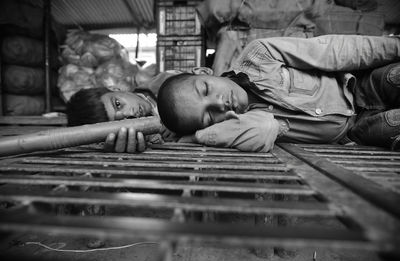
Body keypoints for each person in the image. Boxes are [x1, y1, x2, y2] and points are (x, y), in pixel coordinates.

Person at [157, 34, 400, 152]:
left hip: (364, 85)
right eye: (209, 116)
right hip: (359, 130)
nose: (219, 104)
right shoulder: (246, 127)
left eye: (206, 89)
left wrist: (396, 46)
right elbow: (266, 129)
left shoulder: (259, 55)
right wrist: (195, 138)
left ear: (203, 70)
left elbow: (336, 51)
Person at [66, 67, 214, 153]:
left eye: (118, 104)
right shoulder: (147, 139)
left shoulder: (167, 82)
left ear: (115, 88)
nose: (129, 114)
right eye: (120, 122)